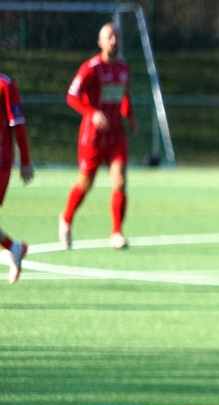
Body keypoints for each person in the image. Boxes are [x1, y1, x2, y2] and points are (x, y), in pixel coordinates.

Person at [59, 22, 137, 250]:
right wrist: (92, 113)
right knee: (85, 183)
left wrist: (130, 116)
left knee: (120, 181)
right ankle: (66, 219)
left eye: (117, 36)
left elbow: (125, 95)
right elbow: (72, 96)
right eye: (110, 37)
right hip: (92, 137)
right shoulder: (91, 68)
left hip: (116, 135)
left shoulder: (124, 68)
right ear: (100, 42)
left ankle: (116, 233)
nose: (114, 41)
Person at [0, 72, 34, 283]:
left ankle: (14, 247)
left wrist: (25, 160)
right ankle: (14, 247)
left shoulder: (5, 85)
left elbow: (18, 124)